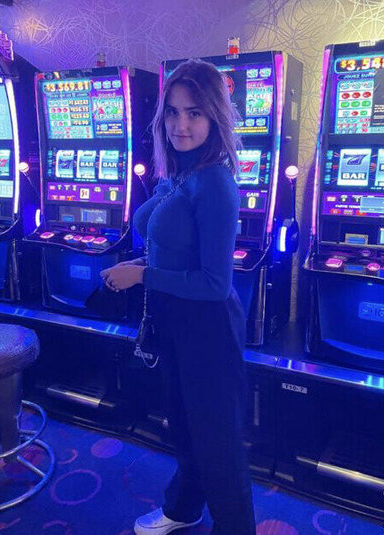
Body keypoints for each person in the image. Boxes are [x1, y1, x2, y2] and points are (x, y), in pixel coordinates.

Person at [100, 58, 256, 535]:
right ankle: (183, 508)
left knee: (218, 445)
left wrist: (142, 276)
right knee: (185, 428)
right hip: (175, 322)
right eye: (172, 112)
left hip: (208, 329)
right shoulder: (182, 174)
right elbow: (168, 247)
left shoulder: (216, 183)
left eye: (194, 113)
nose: (180, 124)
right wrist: (138, 266)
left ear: (214, 117)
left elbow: (213, 283)